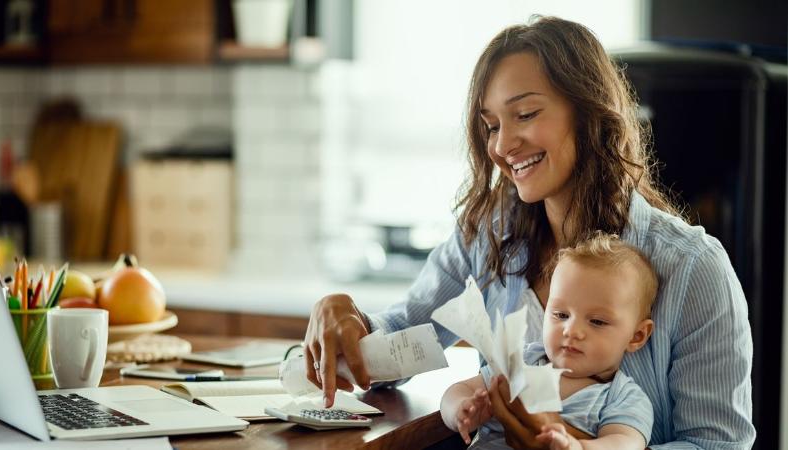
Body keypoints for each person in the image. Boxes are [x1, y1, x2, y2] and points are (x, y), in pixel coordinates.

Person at [304, 16, 755, 448]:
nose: (501, 146)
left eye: (525, 114)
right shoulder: (487, 236)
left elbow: (718, 445)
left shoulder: (693, 268)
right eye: (491, 125)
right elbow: (404, 338)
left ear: (588, 112)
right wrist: (348, 323)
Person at [442, 233, 657, 450]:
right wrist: (461, 410)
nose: (571, 330)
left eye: (597, 321)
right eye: (561, 315)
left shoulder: (622, 397)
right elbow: (460, 389)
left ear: (637, 336)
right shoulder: (523, 361)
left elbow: (625, 444)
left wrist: (578, 447)